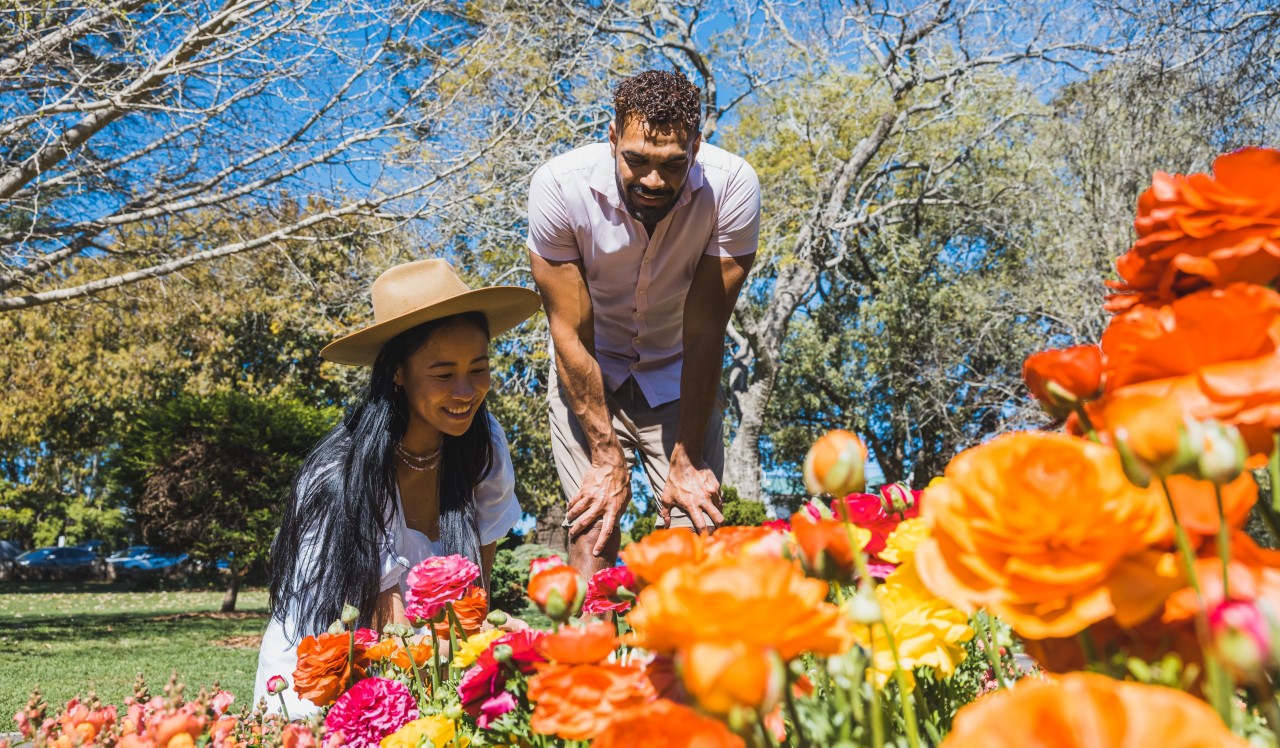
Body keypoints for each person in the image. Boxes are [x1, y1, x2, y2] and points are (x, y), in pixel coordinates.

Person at [252, 259, 540, 716]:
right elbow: (389, 623)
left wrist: (485, 651)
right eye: (443, 374)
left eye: (479, 368)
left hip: (424, 652)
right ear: (398, 373)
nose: (466, 391)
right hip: (331, 655)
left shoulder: (485, 444)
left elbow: (474, 592)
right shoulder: (346, 469)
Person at [526, 69, 760, 577]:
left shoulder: (733, 187)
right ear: (612, 139)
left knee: (694, 539)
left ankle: (673, 655)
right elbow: (568, 331)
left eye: (673, 164)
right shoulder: (559, 187)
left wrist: (687, 457)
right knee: (595, 530)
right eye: (636, 160)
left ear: (696, 148)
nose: (654, 181)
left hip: (679, 370)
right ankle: (594, 656)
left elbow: (704, 332)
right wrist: (606, 456)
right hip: (589, 364)